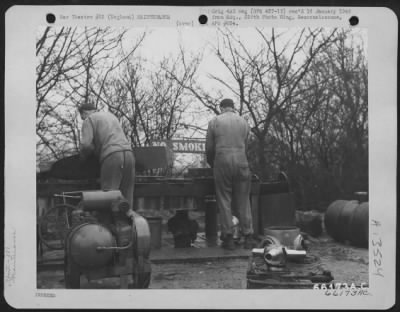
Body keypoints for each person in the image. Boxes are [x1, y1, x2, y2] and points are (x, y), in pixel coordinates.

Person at [205, 98, 257, 250]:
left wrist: (212, 164)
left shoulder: (214, 121)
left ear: (221, 108)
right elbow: (247, 146)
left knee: (224, 199)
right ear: (233, 108)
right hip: (241, 161)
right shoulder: (243, 122)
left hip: (222, 161)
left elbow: (209, 148)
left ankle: (228, 238)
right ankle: (248, 236)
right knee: (243, 200)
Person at [78, 101, 135, 210]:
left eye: (82, 117)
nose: (83, 120)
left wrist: (83, 158)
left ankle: (109, 225)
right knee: (127, 197)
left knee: (109, 196)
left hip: (112, 156)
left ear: (84, 113)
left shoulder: (89, 119)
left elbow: (86, 145)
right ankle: (130, 222)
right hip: (129, 154)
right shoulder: (111, 116)